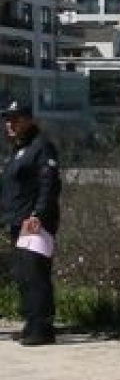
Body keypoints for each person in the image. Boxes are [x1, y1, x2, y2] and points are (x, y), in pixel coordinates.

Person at [1, 100, 61, 346]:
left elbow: (49, 185)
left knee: (35, 273)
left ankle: (42, 327)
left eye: (15, 119)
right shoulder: (18, 150)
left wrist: (38, 214)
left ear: (29, 120)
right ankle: (30, 323)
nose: (10, 124)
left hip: (35, 223)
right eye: (7, 119)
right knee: (22, 274)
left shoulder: (41, 148)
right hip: (17, 221)